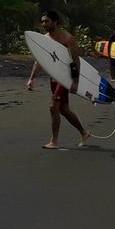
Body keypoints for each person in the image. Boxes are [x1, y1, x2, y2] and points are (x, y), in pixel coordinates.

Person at [26, 9, 91, 149]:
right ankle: (84, 133)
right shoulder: (44, 40)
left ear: (55, 22)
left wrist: (75, 82)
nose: (44, 24)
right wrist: (31, 79)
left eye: (47, 21)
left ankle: (53, 141)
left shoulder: (67, 38)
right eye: (42, 21)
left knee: (53, 107)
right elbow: (39, 61)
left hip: (66, 77)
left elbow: (75, 61)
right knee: (63, 109)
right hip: (54, 77)